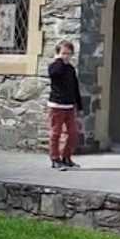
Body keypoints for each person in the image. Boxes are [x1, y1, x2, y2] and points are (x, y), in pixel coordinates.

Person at [48, 40, 83, 170]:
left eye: (69, 54)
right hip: (57, 105)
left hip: (69, 106)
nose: (66, 56)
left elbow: (75, 88)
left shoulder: (70, 69)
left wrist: (79, 105)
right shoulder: (55, 66)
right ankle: (55, 158)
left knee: (72, 133)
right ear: (58, 54)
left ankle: (66, 157)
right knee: (55, 133)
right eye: (63, 53)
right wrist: (59, 61)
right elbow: (54, 74)